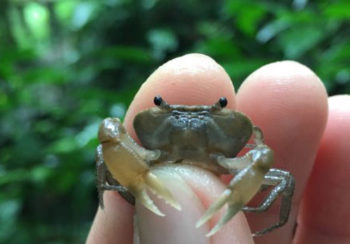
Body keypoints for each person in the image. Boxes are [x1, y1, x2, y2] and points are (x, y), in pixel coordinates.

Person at [87, 54, 350, 244]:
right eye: (165, 110)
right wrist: (128, 180)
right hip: (150, 164)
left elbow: (267, 162)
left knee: (282, 178)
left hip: (221, 166)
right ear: (158, 108)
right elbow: (108, 146)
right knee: (107, 142)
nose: (188, 125)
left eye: (212, 114)